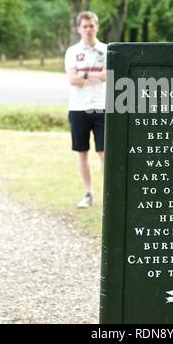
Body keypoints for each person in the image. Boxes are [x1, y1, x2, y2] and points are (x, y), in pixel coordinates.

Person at [64, 11, 107, 207]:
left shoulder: (107, 50)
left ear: (97, 27)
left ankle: (110, 193)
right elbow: (72, 79)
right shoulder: (72, 52)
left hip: (102, 107)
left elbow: (109, 75)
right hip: (78, 108)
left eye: (91, 26)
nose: (88, 29)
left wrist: (85, 76)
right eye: (85, 26)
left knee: (105, 152)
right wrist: (96, 76)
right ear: (78, 29)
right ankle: (88, 193)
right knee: (82, 152)